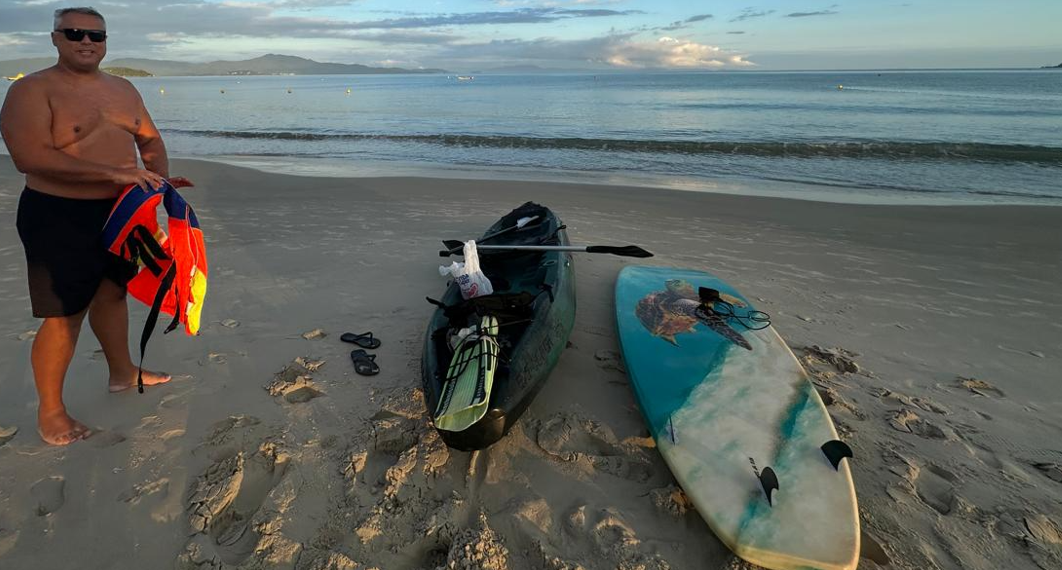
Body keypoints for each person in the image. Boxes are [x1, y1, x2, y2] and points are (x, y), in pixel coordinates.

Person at [0, 7, 194, 445]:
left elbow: (149, 138)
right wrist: (117, 174)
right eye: (74, 33)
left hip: (121, 212)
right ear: (55, 38)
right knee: (65, 314)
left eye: (96, 35)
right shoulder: (32, 90)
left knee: (112, 293)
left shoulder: (123, 89)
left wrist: (158, 184)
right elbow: (29, 157)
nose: (86, 41)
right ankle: (51, 412)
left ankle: (122, 373)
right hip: (59, 213)